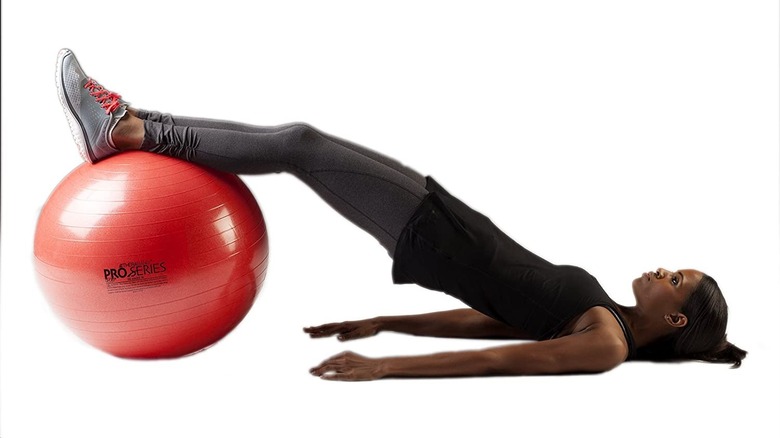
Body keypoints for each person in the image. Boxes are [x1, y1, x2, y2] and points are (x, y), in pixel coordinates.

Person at [55, 48, 746, 381]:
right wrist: (389, 322)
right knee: (303, 142)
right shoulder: (606, 319)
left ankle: (129, 130)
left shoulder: (607, 344)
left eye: (675, 278)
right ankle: (129, 126)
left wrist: (386, 367)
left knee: (300, 144)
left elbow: (505, 361)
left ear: (676, 318)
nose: (663, 270)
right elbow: (496, 318)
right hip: (442, 221)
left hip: (435, 234)